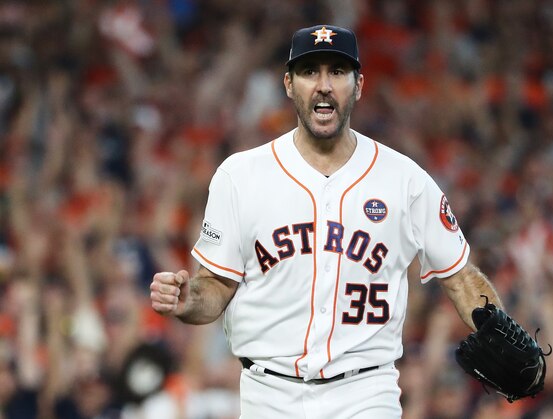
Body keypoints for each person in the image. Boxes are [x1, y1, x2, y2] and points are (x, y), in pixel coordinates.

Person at [150, 24, 503, 418]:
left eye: (337, 71)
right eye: (309, 71)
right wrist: (188, 300)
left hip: (365, 393)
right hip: (269, 395)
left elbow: (459, 276)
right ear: (288, 83)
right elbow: (215, 286)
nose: (323, 85)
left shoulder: (406, 180)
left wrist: (499, 330)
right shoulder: (241, 176)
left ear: (359, 84)